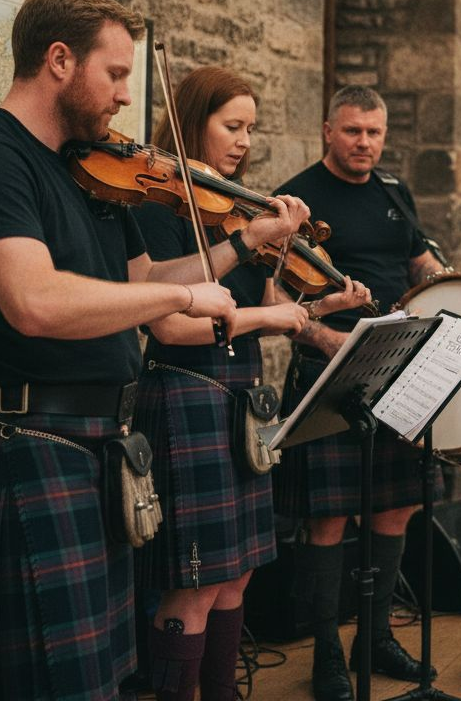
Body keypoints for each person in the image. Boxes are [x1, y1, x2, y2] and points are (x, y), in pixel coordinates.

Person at [0, 0, 277, 699]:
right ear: (59, 60)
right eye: (115, 74)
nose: (125, 96)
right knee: (45, 684)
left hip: (98, 443)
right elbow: (34, 301)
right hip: (29, 443)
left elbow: (147, 276)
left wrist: (242, 242)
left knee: (105, 678)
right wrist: (181, 298)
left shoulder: (89, 172)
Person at [131, 68, 369, 701]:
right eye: (231, 126)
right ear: (191, 121)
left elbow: (266, 309)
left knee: (236, 577)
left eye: (250, 129)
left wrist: (320, 306)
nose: (242, 142)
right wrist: (262, 291)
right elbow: (171, 324)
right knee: (196, 581)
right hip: (185, 395)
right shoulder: (155, 205)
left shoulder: (231, 205)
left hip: (241, 396)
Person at [272, 85, 447, 700]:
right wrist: (325, 338)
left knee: (394, 508)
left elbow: (418, 258)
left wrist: (444, 283)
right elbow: (276, 296)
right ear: (327, 130)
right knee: (328, 519)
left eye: (374, 132)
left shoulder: (395, 192)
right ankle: (326, 654)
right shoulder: (298, 198)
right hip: (333, 373)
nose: (365, 143)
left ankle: (372, 638)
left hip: (398, 365)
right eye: (353, 131)